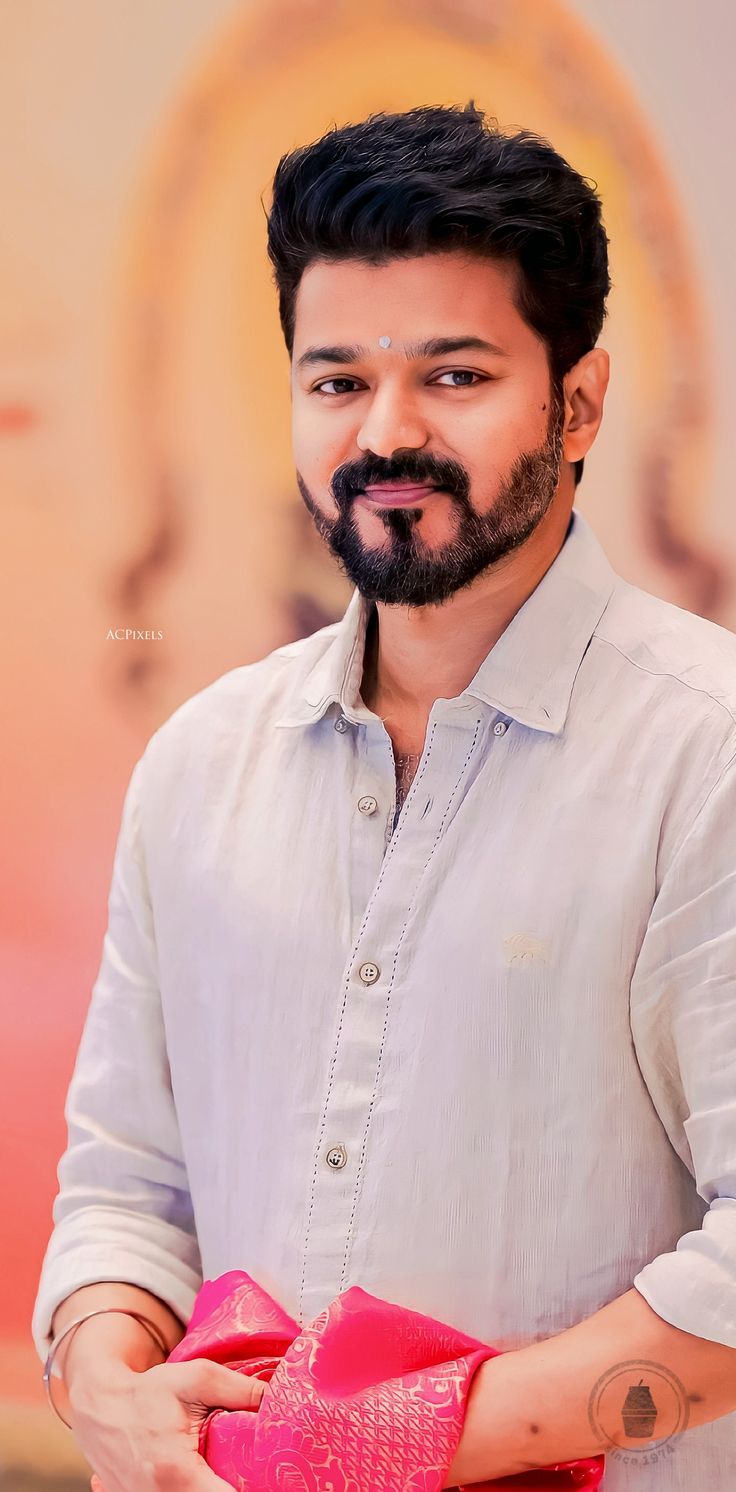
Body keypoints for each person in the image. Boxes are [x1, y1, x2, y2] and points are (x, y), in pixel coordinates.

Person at [33, 103, 736, 1491]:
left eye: (456, 377)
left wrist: (391, 1440)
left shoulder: (703, 750)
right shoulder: (201, 762)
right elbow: (126, 1187)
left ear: (578, 401)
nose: (386, 434)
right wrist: (107, 1380)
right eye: (337, 381)